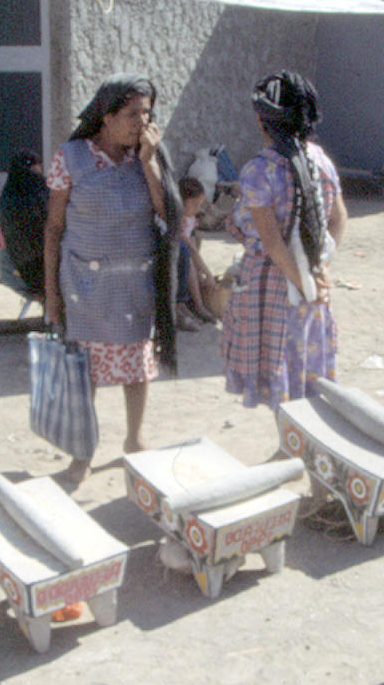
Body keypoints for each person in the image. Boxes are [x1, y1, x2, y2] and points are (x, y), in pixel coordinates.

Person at [43, 74, 181, 486]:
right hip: (84, 286)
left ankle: (135, 441)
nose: (141, 122)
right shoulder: (70, 158)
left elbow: (165, 214)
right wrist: (51, 294)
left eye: (147, 113)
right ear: (105, 117)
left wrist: (149, 162)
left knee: (136, 366)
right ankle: (82, 453)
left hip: (134, 284)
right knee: (84, 372)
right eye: (132, 113)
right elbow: (53, 228)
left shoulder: (148, 158)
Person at [221, 71, 348, 412]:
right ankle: (295, 447)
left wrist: (304, 282)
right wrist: (317, 268)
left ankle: (290, 450)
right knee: (303, 369)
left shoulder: (258, 171)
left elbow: (273, 244)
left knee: (280, 369)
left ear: (262, 121)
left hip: (272, 286)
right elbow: (339, 219)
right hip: (308, 282)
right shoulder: (321, 161)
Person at [0, 149, 48, 298]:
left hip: (21, 273)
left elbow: (0, 241)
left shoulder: (5, 198)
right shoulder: (42, 192)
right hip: (46, 273)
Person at [175, 176, 216, 330]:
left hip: (183, 255)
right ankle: (187, 305)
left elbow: (193, 246)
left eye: (199, 204)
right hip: (170, 256)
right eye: (194, 204)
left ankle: (195, 304)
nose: (198, 209)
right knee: (189, 260)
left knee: (193, 263)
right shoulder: (177, 219)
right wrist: (208, 273)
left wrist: (203, 273)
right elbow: (190, 249)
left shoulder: (190, 218)